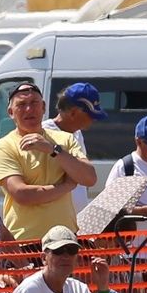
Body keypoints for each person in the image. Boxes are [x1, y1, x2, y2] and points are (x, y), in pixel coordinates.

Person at [0, 81, 94, 242]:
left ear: (43, 107)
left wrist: (53, 150)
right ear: (11, 112)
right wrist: (66, 186)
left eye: (34, 103)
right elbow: (22, 194)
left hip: (65, 240)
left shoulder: (65, 139)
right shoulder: (4, 146)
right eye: (21, 105)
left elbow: (89, 178)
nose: (29, 109)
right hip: (26, 241)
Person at [4, 226, 118, 293]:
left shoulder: (78, 289)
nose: (66, 256)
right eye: (58, 251)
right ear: (44, 258)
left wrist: (103, 286)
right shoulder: (29, 290)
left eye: (71, 250)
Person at [43, 82, 105, 215]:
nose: (93, 120)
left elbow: (85, 175)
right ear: (73, 112)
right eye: (91, 115)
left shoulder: (77, 134)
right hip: (54, 219)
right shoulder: (44, 134)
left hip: (76, 219)